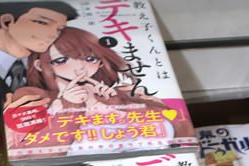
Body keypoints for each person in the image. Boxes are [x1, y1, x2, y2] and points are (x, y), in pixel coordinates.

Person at [10, 26, 193, 143]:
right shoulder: (33, 98)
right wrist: (69, 105)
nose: (79, 67)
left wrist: (120, 103)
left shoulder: (119, 92)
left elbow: (177, 126)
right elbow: (27, 151)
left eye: (89, 59)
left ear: (99, 62)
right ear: (40, 65)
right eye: (62, 60)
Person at [0, 2, 78, 102]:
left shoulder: (52, 67)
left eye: (59, 29)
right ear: (7, 21)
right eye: (42, 23)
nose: (53, 35)